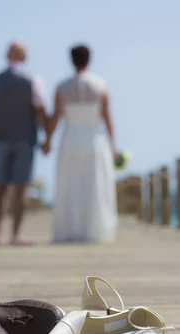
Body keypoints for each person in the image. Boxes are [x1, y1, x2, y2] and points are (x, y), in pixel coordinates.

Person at [42, 44, 119, 243]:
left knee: (70, 185)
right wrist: (113, 146)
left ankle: (70, 229)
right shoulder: (101, 85)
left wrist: (48, 140)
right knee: (95, 185)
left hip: (70, 138)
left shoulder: (62, 86)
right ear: (89, 59)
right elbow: (107, 118)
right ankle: (94, 230)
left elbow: (56, 117)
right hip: (94, 138)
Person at [0, 41, 49, 246]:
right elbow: (40, 108)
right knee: (20, 188)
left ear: (6, 56)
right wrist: (47, 135)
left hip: (0, 137)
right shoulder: (32, 79)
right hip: (25, 137)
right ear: (24, 57)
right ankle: (16, 234)